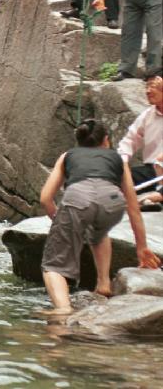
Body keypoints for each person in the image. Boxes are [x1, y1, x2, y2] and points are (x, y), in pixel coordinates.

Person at [39, 119, 160, 312]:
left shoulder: (68, 155)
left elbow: (46, 198)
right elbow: (132, 206)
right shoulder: (118, 159)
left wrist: (58, 219)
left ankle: (63, 310)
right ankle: (103, 283)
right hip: (112, 203)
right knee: (99, 232)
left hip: (77, 198)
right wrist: (142, 248)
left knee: (53, 265)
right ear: (106, 141)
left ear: (78, 141)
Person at [117, 75, 163, 188]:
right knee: (118, 178)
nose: (147, 91)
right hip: (151, 171)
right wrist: (123, 161)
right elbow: (130, 140)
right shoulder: (147, 115)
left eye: (153, 86)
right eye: (147, 87)